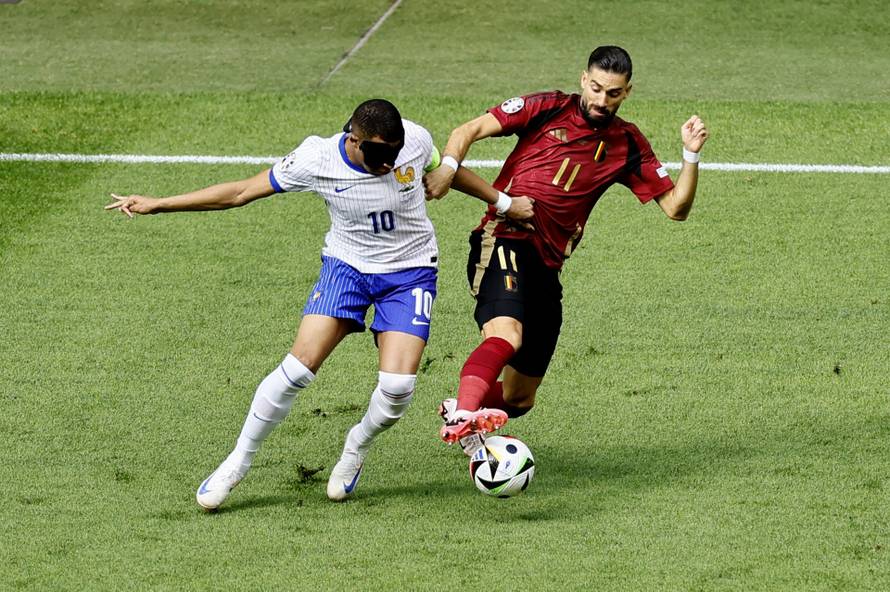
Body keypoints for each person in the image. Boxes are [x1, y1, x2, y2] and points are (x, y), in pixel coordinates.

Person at [106, 99, 533, 508]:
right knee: (297, 368)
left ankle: (356, 446)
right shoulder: (316, 158)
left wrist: (504, 202)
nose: (389, 164)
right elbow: (239, 193)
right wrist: (159, 205)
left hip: (410, 271)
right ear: (353, 139)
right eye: (379, 155)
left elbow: (446, 171)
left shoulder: (415, 140)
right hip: (346, 268)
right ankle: (237, 462)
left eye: (395, 153)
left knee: (398, 390)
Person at [423, 46, 710, 454]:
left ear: (627, 92)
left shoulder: (627, 142)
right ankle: (466, 416)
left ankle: (463, 408)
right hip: (504, 237)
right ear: (583, 80)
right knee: (508, 334)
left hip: (548, 263)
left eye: (613, 93)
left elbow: (676, 208)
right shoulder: (546, 108)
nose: (601, 100)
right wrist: (449, 169)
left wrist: (690, 154)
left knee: (521, 397)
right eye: (595, 88)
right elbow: (466, 131)